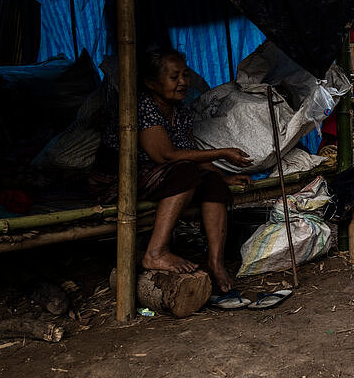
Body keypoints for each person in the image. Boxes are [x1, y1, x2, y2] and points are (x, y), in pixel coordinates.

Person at [93, 46, 252, 294]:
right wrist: (222, 152)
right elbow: (165, 155)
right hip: (120, 180)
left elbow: (189, 150)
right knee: (185, 173)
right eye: (174, 77)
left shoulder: (179, 110)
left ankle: (215, 262)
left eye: (185, 75)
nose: (183, 82)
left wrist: (223, 177)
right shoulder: (142, 107)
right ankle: (155, 252)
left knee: (212, 183)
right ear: (151, 83)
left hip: (159, 175)